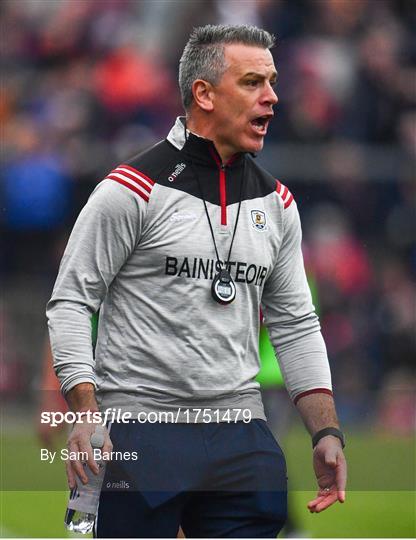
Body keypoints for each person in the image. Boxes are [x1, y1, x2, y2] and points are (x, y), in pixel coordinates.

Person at [47, 24, 347, 538]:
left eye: (273, 82)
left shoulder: (278, 204)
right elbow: (72, 301)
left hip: (242, 434)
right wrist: (84, 410)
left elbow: (296, 324)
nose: (273, 98)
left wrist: (325, 429)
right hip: (142, 430)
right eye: (253, 82)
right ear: (203, 94)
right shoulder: (130, 190)